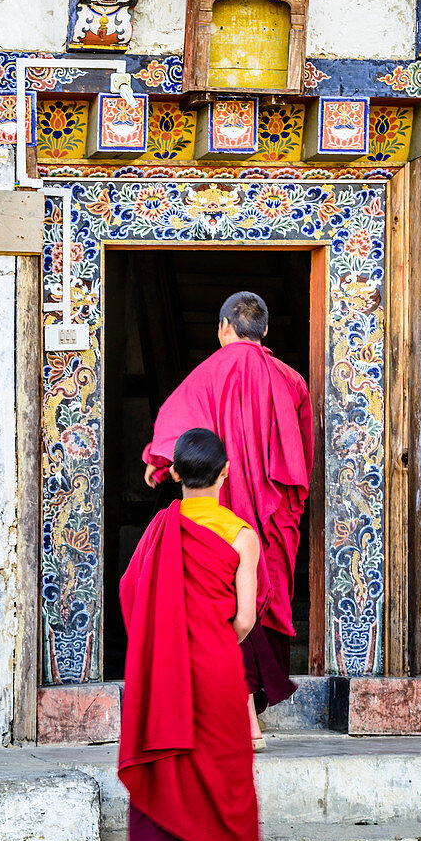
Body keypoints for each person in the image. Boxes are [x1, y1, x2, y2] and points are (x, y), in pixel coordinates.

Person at [143, 292, 314, 747]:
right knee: (257, 595)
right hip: (267, 520)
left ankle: (222, 715)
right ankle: (248, 712)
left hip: (218, 513)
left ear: (223, 327)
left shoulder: (208, 373)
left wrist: (160, 461)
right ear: (264, 331)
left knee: (210, 608)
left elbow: (179, 427)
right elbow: (303, 460)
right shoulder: (291, 380)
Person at [119, 428, 261, 841]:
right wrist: (212, 640)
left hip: (168, 671)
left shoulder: (161, 528)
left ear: (174, 474)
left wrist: (165, 647)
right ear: (226, 473)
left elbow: (131, 594)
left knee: (171, 772)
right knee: (216, 776)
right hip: (219, 668)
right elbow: (244, 618)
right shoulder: (243, 535)